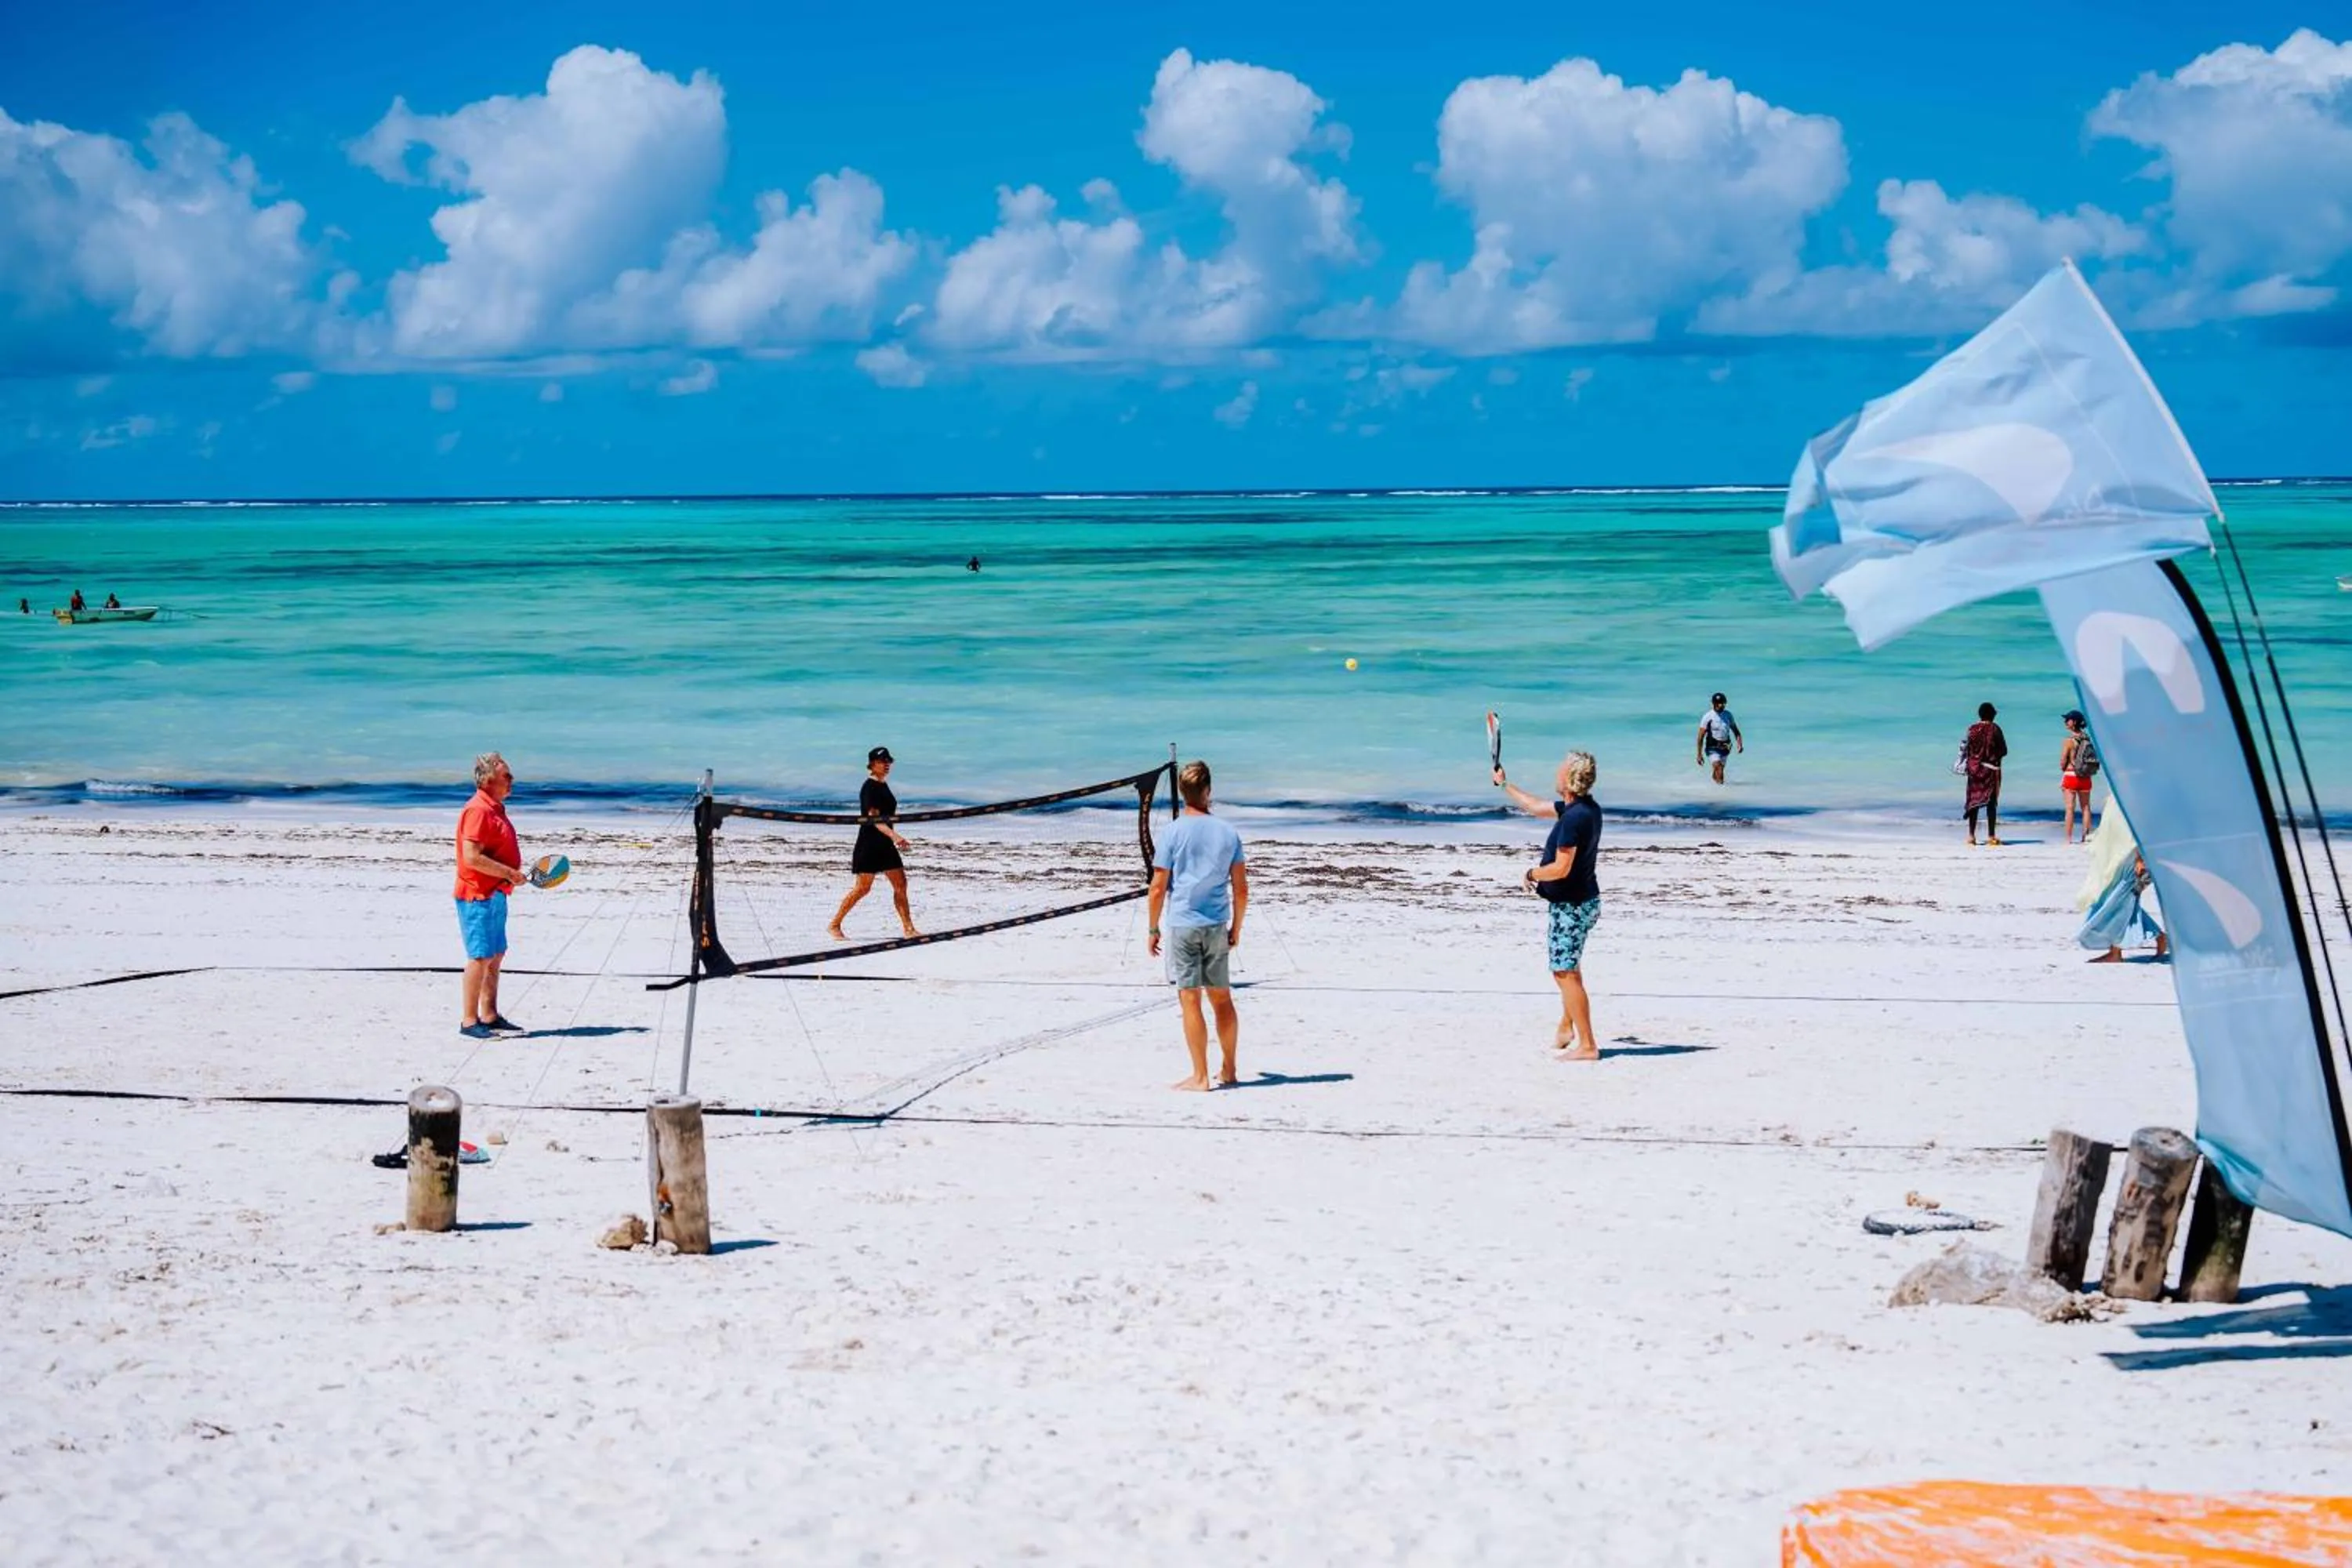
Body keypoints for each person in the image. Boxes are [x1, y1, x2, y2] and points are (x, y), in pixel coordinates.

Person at [1147, 760, 1248, 1090]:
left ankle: (1201, 1076)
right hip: (1216, 924)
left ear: (1182, 792)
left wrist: (1153, 929)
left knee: (1190, 999)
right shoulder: (1228, 832)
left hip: (1183, 925)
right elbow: (1241, 889)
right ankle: (1229, 1070)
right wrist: (1236, 929)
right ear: (1208, 791)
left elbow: (1158, 887)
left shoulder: (1172, 832)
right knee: (1222, 999)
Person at [1497, 750, 1603, 1060]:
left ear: (1569, 778)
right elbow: (1535, 807)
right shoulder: (1584, 808)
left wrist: (1532, 873)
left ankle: (1588, 1046)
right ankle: (1567, 1027)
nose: (1556, 771)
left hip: (1572, 905)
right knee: (1570, 969)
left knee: (1564, 972)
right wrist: (1505, 784)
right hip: (1585, 901)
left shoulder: (1573, 818)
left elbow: (1561, 868)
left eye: (1561, 768)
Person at [454, 752, 530, 1039]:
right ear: (488, 780)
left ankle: (489, 1014)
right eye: (506, 776)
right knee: (480, 957)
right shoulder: (477, 810)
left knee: (496, 954)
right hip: (477, 895)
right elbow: (471, 857)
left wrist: (508, 876)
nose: (512, 781)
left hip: (496, 892)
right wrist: (509, 872)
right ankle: (469, 1021)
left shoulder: (495, 808)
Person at [829, 746, 918, 940]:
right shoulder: (869, 787)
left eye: (888, 761)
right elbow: (874, 820)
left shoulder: (883, 785)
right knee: (863, 888)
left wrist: (893, 835)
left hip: (885, 844)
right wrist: (895, 836)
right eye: (882, 761)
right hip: (869, 844)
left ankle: (909, 929)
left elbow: (887, 816)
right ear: (872, 764)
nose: (886, 764)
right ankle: (834, 925)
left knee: (901, 884)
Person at [2076, 805, 2166, 962]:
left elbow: (2142, 823)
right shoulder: (2118, 795)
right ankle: (2157, 937)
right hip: (2117, 853)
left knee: (2119, 900)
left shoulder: (2134, 795)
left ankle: (2116, 951)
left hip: (2131, 856)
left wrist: (2140, 858)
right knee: (2119, 900)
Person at [1962, 702, 2008, 846]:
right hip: (1990, 770)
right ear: (1992, 714)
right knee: (1991, 803)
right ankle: (1991, 836)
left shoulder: (1972, 729)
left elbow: (1967, 749)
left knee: (1974, 803)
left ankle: (1971, 836)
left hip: (1974, 770)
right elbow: (2004, 750)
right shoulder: (1995, 729)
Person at [2060, 710, 2100, 844]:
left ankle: (2068, 839)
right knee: (2086, 808)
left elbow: (2063, 761)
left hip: (2071, 776)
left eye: (2068, 720)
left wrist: (2064, 768)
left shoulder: (2068, 741)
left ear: (2074, 722)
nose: (2065, 722)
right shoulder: (2087, 739)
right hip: (2085, 777)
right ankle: (2085, 837)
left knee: (2070, 809)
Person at [1695, 692, 1744, 784]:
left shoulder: (1728, 715)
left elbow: (1736, 731)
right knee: (1719, 768)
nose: (1720, 705)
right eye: (1718, 703)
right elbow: (1700, 737)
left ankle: (1714, 788)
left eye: (1722, 703)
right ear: (1713, 704)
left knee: (1718, 772)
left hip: (1726, 747)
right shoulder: (1708, 717)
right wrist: (1699, 754)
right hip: (1712, 747)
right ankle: (1722, 790)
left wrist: (1740, 744)